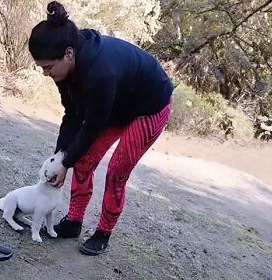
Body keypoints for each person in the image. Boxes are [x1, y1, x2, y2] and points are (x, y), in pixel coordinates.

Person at [27, 1, 174, 256]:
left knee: (117, 171)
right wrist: (60, 158)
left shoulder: (100, 73)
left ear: (69, 54)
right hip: (116, 102)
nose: (45, 73)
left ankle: (103, 232)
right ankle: (73, 222)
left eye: (48, 67)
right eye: (42, 68)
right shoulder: (65, 71)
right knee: (82, 161)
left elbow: (92, 126)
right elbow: (72, 115)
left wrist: (65, 161)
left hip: (149, 105)